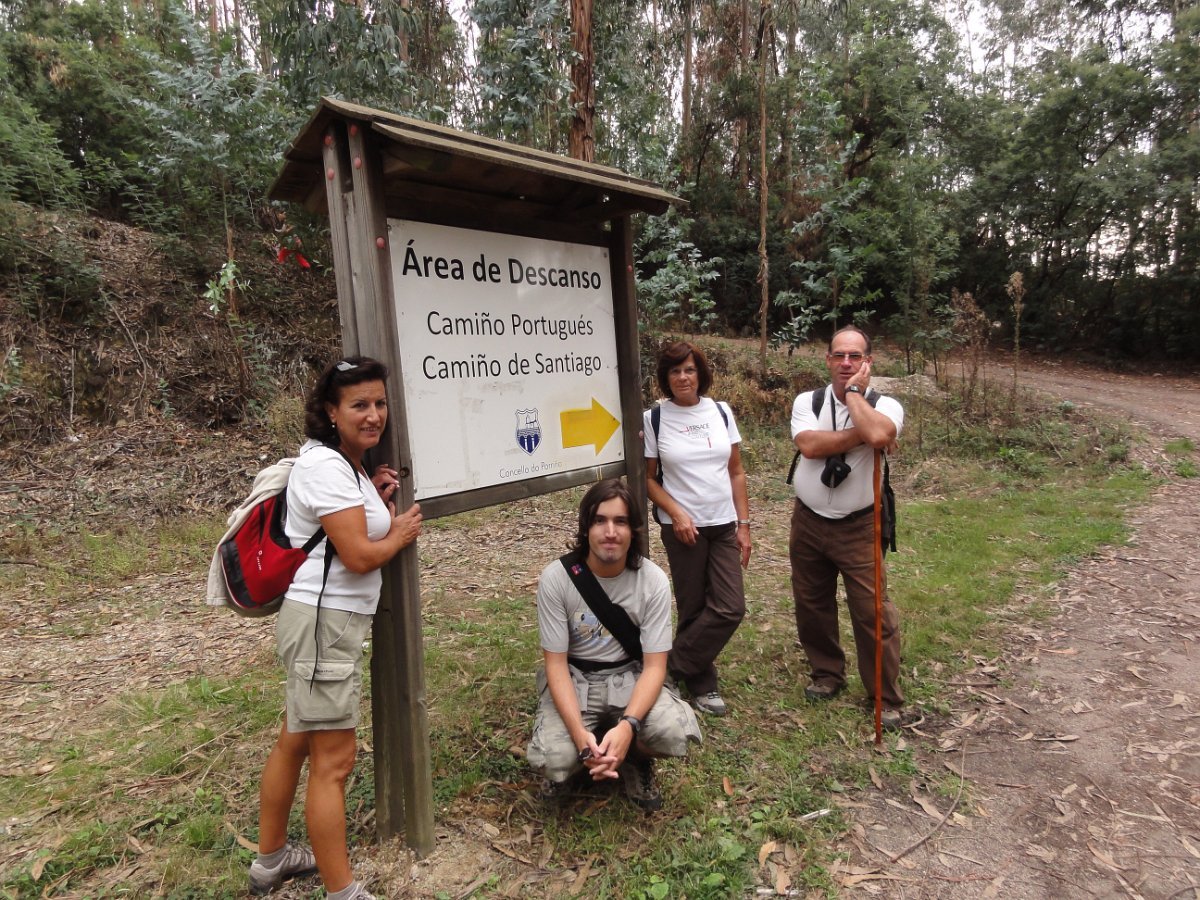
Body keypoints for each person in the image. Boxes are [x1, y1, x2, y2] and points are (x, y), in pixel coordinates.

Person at [250, 356, 422, 899]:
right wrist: (398, 533)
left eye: (379, 403)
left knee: (296, 740)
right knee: (334, 762)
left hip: (322, 622)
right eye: (358, 405)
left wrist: (374, 497)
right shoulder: (326, 467)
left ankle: (271, 861)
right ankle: (342, 891)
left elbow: (344, 528)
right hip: (324, 625)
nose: (374, 415)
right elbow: (358, 556)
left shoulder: (344, 465)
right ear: (331, 410)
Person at [526, 478, 702, 812]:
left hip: (631, 675)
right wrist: (578, 734)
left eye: (620, 521)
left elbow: (655, 667)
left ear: (633, 530)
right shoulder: (557, 579)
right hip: (577, 679)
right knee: (553, 757)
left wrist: (628, 726)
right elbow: (555, 664)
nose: (610, 532)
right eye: (600, 521)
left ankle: (633, 755)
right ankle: (584, 753)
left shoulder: (652, 581)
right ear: (586, 528)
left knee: (671, 732)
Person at [788, 326, 905, 730]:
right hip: (808, 521)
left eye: (855, 356)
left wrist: (855, 394)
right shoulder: (808, 401)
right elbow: (810, 446)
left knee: (873, 612)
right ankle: (827, 674)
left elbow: (879, 431)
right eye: (839, 355)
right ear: (827, 360)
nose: (846, 363)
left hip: (860, 526)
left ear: (868, 362)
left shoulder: (887, 404)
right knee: (812, 603)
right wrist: (865, 436)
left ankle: (885, 696)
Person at [642, 341, 750, 717]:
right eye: (675, 371)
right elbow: (648, 479)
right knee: (692, 607)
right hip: (682, 528)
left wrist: (744, 524)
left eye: (689, 369)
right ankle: (703, 686)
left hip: (722, 523)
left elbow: (736, 471)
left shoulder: (721, 411)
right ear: (665, 378)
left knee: (730, 607)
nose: (683, 377)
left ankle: (667, 670)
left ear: (700, 373)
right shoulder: (655, 418)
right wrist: (677, 513)